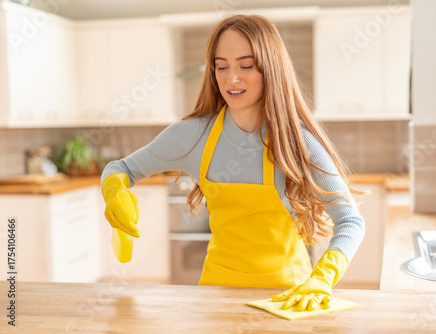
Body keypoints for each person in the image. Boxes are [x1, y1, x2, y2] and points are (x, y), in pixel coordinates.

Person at [101, 14, 365, 312]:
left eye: (246, 65)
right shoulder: (193, 136)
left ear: (271, 69)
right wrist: (115, 192)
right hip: (216, 297)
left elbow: (350, 220)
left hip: (289, 300)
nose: (231, 78)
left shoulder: (297, 144)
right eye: (221, 66)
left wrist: (323, 277)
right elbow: (119, 169)